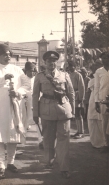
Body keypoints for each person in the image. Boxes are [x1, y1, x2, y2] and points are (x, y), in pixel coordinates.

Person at [0, 43, 26, 179]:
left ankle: (11, 162)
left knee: (12, 136)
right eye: (4, 55)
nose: (7, 57)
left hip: (13, 107)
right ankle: (1, 165)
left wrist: (18, 92)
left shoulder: (17, 69)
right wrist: (3, 78)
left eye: (9, 54)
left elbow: (26, 85)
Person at [33, 51, 75, 179]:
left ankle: (64, 167)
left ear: (57, 62)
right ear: (44, 62)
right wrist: (35, 113)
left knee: (63, 140)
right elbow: (35, 96)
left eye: (54, 61)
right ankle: (49, 160)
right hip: (46, 110)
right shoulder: (39, 76)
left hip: (63, 109)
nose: (51, 63)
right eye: (48, 61)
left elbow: (71, 93)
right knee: (48, 138)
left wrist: (72, 111)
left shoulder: (64, 75)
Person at [94, 51, 109, 153]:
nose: (104, 60)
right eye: (102, 58)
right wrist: (96, 102)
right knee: (104, 122)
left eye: (106, 58)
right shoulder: (99, 71)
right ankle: (106, 143)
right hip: (103, 100)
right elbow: (96, 87)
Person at [87, 63, 105, 148]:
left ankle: (103, 142)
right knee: (93, 120)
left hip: (100, 98)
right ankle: (96, 141)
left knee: (101, 119)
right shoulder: (93, 79)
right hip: (93, 99)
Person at [68, 61, 85, 139]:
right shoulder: (68, 75)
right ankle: (78, 131)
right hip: (70, 96)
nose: (70, 68)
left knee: (78, 114)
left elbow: (81, 87)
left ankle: (81, 132)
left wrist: (81, 98)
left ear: (74, 67)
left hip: (77, 96)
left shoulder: (78, 75)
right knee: (74, 114)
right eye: (69, 66)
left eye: (72, 66)